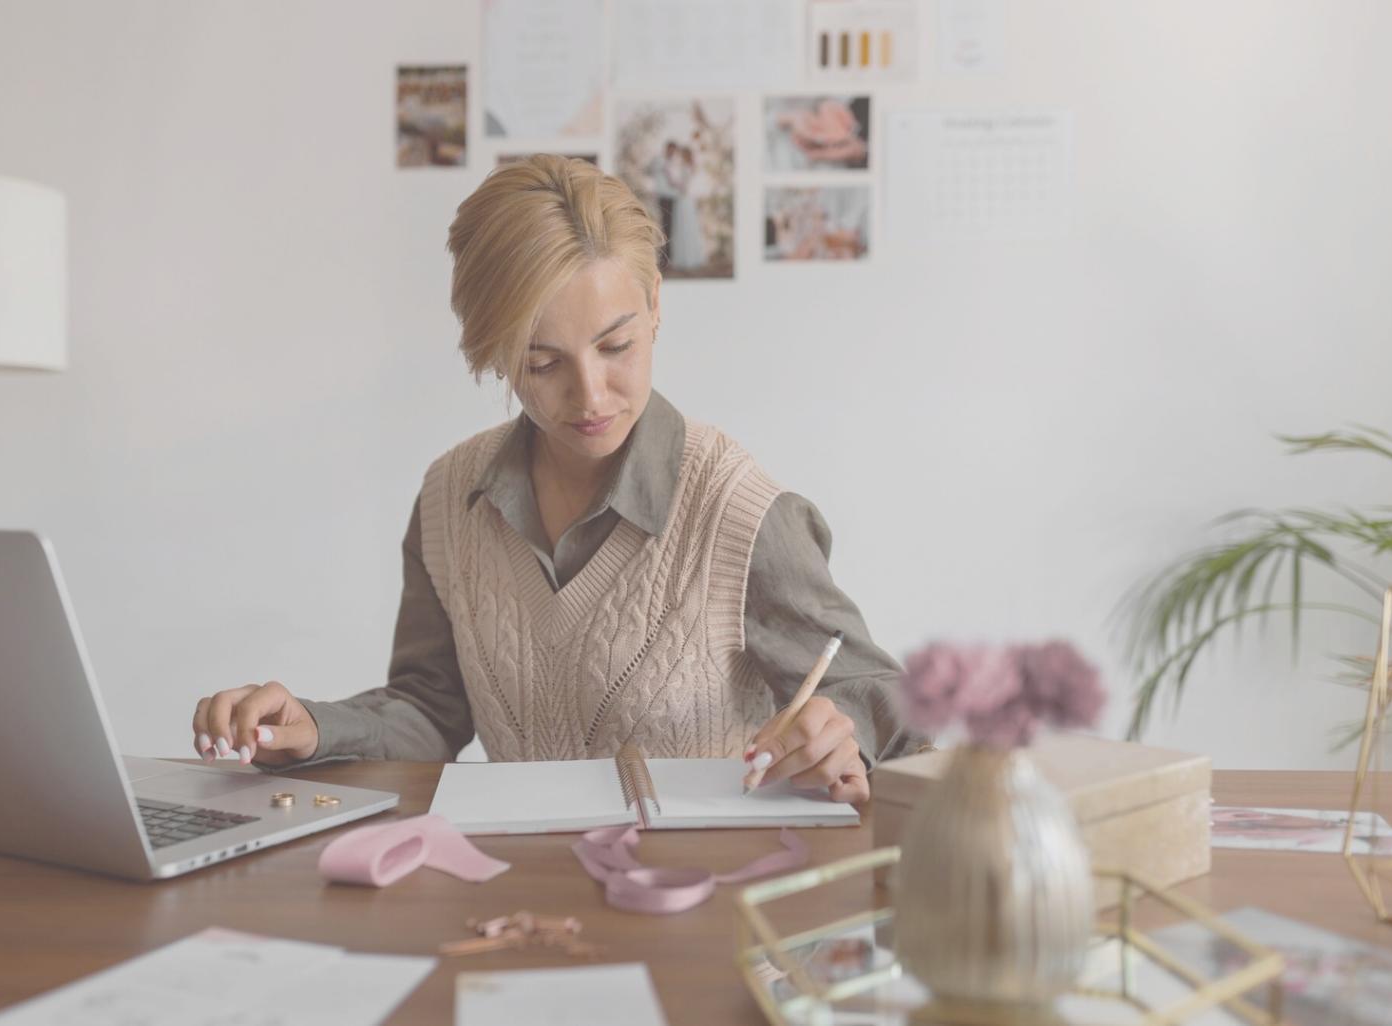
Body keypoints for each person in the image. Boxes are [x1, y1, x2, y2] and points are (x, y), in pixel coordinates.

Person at [188, 155, 918, 803]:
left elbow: (889, 710)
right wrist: (316, 727)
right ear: (495, 352)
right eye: (542, 363)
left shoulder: (741, 515)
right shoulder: (449, 502)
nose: (591, 395)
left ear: (656, 305)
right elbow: (432, 709)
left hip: (699, 911)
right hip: (519, 902)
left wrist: (840, 735)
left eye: (616, 345)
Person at [665, 146, 706, 272]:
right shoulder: (690, 167)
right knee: (686, 226)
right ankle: (688, 257)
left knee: (685, 226)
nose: (680, 156)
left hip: (684, 198)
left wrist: (673, 181)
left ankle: (686, 258)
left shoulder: (686, 167)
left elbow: (684, 185)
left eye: (682, 154)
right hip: (686, 199)